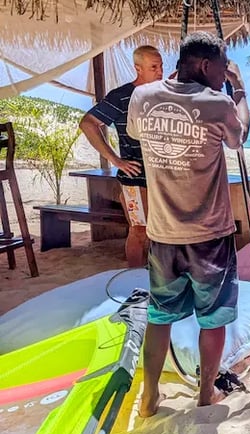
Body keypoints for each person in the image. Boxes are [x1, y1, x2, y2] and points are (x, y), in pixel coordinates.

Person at [126, 32, 250, 417]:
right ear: (205, 65)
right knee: (212, 320)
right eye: (221, 68)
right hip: (209, 236)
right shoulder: (219, 103)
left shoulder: (142, 98)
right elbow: (240, 136)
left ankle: (150, 396)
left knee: (159, 315)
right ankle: (205, 393)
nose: (223, 75)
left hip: (163, 234)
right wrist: (240, 91)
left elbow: (134, 132)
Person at [79, 46, 163, 268]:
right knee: (139, 231)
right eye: (154, 67)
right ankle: (134, 279)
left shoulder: (166, 94)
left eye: (161, 66)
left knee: (165, 233)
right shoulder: (122, 96)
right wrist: (114, 159)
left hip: (164, 176)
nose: (160, 71)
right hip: (135, 177)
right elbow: (88, 123)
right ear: (138, 68)